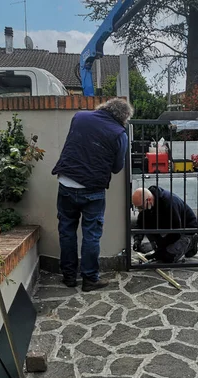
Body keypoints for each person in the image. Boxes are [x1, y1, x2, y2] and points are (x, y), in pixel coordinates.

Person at [52, 98, 133, 292]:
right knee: (91, 235)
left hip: (67, 182)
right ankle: (89, 279)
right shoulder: (120, 134)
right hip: (93, 190)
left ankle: (69, 276)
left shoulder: (79, 117)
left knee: (67, 230)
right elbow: (116, 168)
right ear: (123, 118)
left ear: (105, 107)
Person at [132, 186, 198, 263]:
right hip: (168, 227)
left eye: (140, 207)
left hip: (184, 230)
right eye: (137, 207)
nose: (139, 210)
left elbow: (176, 232)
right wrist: (137, 240)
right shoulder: (147, 203)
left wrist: (155, 245)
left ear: (149, 200)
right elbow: (140, 223)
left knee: (169, 258)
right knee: (162, 255)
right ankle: (160, 252)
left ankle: (191, 241)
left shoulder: (169, 202)